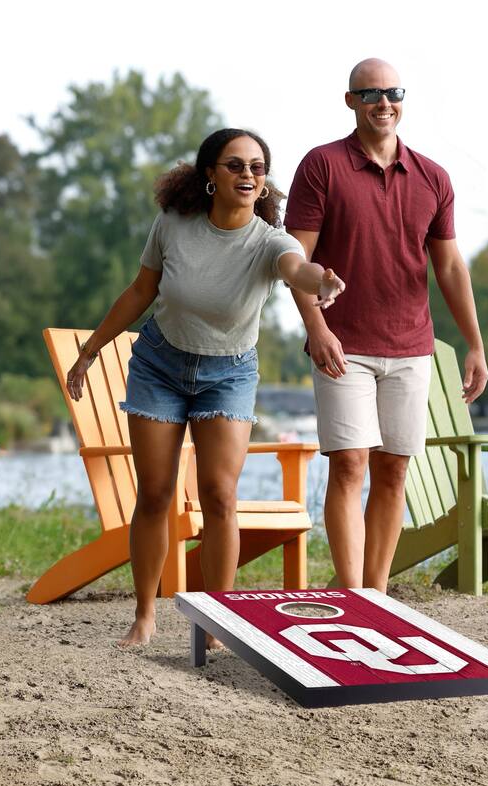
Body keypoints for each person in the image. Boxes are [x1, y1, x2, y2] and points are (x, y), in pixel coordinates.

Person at [65, 128, 345, 646]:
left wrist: (320, 283)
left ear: (264, 183)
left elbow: (296, 269)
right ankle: (145, 616)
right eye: (235, 165)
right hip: (159, 365)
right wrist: (92, 349)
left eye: (257, 167)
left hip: (229, 373)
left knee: (220, 496)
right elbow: (140, 290)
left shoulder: (269, 241)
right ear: (210, 175)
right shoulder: (174, 223)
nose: (247, 175)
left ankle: (219, 621)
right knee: (155, 494)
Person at [285, 58, 488, 592]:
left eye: (392, 92)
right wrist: (317, 328)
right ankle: (351, 593)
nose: (383, 103)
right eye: (370, 93)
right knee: (350, 465)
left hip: (411, 347)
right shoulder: (321, 166)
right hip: (342, 346)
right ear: (350, 101)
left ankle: (375, 591)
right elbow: (293, 261)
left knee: (394, 469)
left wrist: (474, 344)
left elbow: (449, 266)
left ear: (402, 99)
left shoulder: (433, 177)